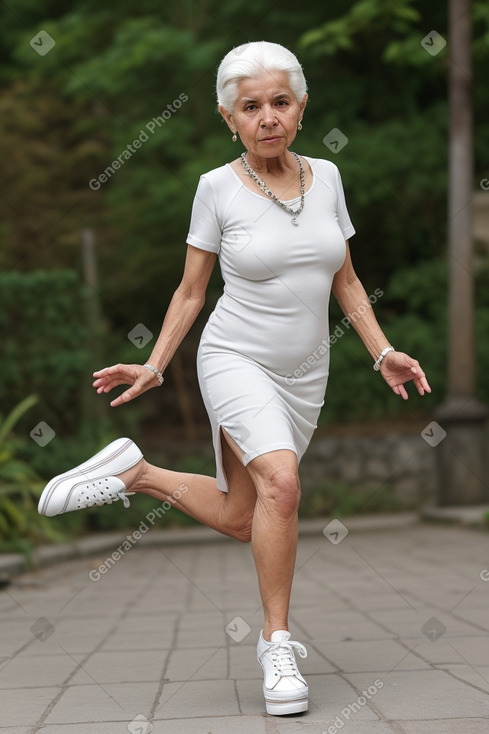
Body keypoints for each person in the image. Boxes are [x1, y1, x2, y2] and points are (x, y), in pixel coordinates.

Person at [38, 41, 431, 716]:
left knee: (244, 515)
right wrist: (156, 363)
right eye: (250, 107)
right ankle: (277, 646)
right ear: (229, 117)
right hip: (234, 358)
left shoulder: (328, 179)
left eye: (280, 102)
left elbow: (345, 279)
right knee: (283, 482)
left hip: (304, 374)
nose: (267, 117)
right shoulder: (216, 189)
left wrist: (381, 350)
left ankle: (138, 476)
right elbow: (192, 292)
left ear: (301, 108)